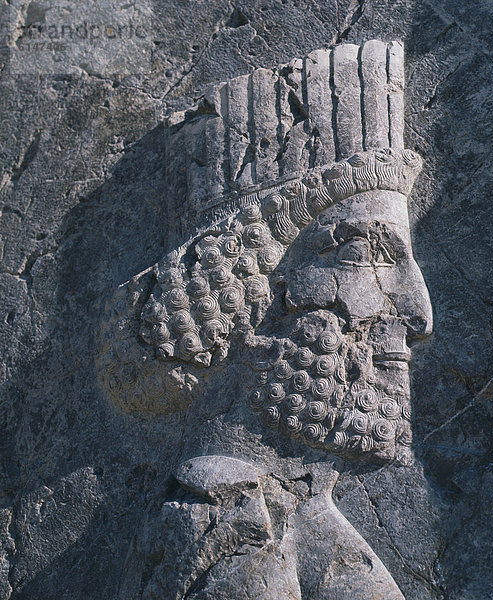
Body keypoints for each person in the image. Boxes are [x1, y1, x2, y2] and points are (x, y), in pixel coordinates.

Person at [96, 41, 432, 600]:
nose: (420, 314)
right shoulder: (230, 543)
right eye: (368, 255)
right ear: (247, 295)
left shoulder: (305, 526)